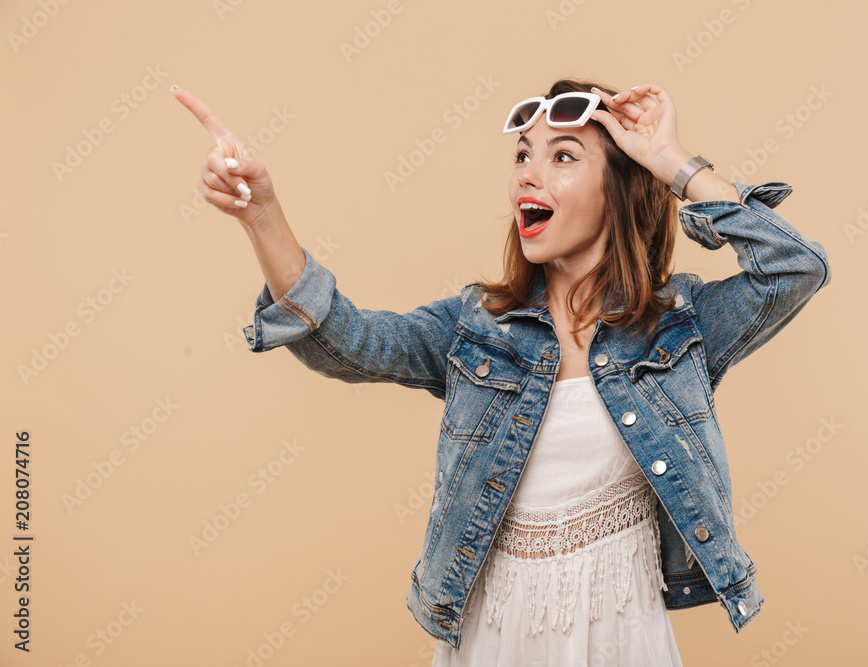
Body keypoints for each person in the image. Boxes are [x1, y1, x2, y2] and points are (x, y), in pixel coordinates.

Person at [172, 77, 831, 666]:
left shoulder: (679, 326)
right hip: (492, 637)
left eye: (562, 156)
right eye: (523, 155)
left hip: (617, 637)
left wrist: (671, 162)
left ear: (618, 190)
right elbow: (344, 340)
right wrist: (262, 214)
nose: (527, 174)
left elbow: (793, 268)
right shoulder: (475, 325)